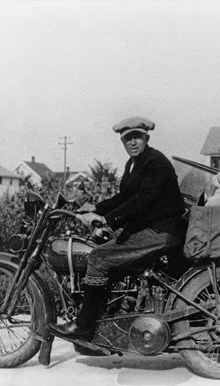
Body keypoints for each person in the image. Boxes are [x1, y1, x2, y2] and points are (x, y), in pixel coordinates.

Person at [48, 116, 186, 342]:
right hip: (150, 227)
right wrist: (96, 207)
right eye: (127, 139)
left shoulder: (155, 163)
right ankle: (110, 316)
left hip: (162, 230)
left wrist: (106, 219)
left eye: (137, 137)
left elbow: (142, 201)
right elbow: (125, 197)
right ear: (122, 141)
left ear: (146, 138)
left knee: (98, 258)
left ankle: (84, 326)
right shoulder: (134, 163)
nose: (132, 142)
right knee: (101, 241)